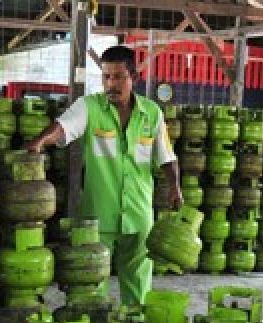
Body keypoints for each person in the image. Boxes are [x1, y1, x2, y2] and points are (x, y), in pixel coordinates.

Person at [26, 45, 181, 307]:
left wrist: (175, 188)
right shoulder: (89, 107)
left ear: (134, 78)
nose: (111, 84)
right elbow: (63, 127)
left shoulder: (152, 113)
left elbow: (166, 156)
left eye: (119, 77)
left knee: (138, 281)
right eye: (106, 77)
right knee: (93, 282)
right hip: (99, 216)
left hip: (138, 214)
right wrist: (40, 142)